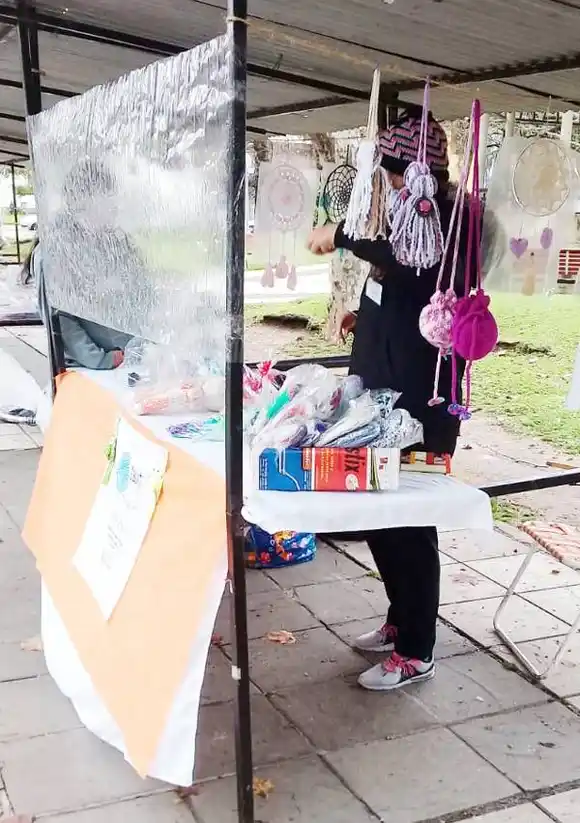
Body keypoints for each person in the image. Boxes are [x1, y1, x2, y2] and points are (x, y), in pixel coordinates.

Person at [307, 111, 475, 692]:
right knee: (376, 514)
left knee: (408, 522)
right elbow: (394, 282)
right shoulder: (407, 212)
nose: (392, 186)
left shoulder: (448, 217)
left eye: (396, 174)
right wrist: (367, 317)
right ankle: (401, 619)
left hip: (420, 405)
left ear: (417, 170)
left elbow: (413, 269)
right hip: (383, 392)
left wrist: (344, 235)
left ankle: (418, 648)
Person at [32, 239, 132, 370]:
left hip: (129, 354)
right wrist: (100, 359)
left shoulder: (102, 238)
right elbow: (60, 320)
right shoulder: (52, 251)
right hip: (96, 365)